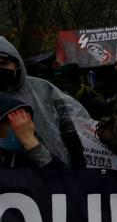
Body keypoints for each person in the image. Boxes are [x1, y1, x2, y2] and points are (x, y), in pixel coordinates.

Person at [0, 37, 86, 168]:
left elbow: (69, 129)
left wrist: (78, 168)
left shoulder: (42, 88)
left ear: (17, 66)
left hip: (47, 172)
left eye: (3, 63)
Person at [0, 94, 65, 168]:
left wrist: (31, 143)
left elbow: (63, 177)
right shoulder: (5, 154)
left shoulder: (44, 150)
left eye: (21, 126)